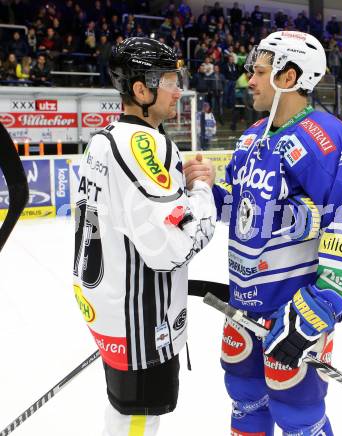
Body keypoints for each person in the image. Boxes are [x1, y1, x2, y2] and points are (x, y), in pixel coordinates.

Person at [184, 30, 342, 436]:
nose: (249, 80)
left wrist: (317, 308)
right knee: (244, 400)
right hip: (244, 306)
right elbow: (244, 210)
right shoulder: (252, 136)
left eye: (258, 72)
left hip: (293, 313)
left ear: (287, 78)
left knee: (297, 413)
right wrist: (206, 188)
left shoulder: (331, 139)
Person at [73, 37, 217, 436]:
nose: (178, 91)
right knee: (138, 416)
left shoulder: (106, 139)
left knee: (126, 414)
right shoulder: (142, 143)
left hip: (112, 307)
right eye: (170, 81)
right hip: (140, 319)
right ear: (141, 90)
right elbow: (173, 246)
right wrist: (202, 191)